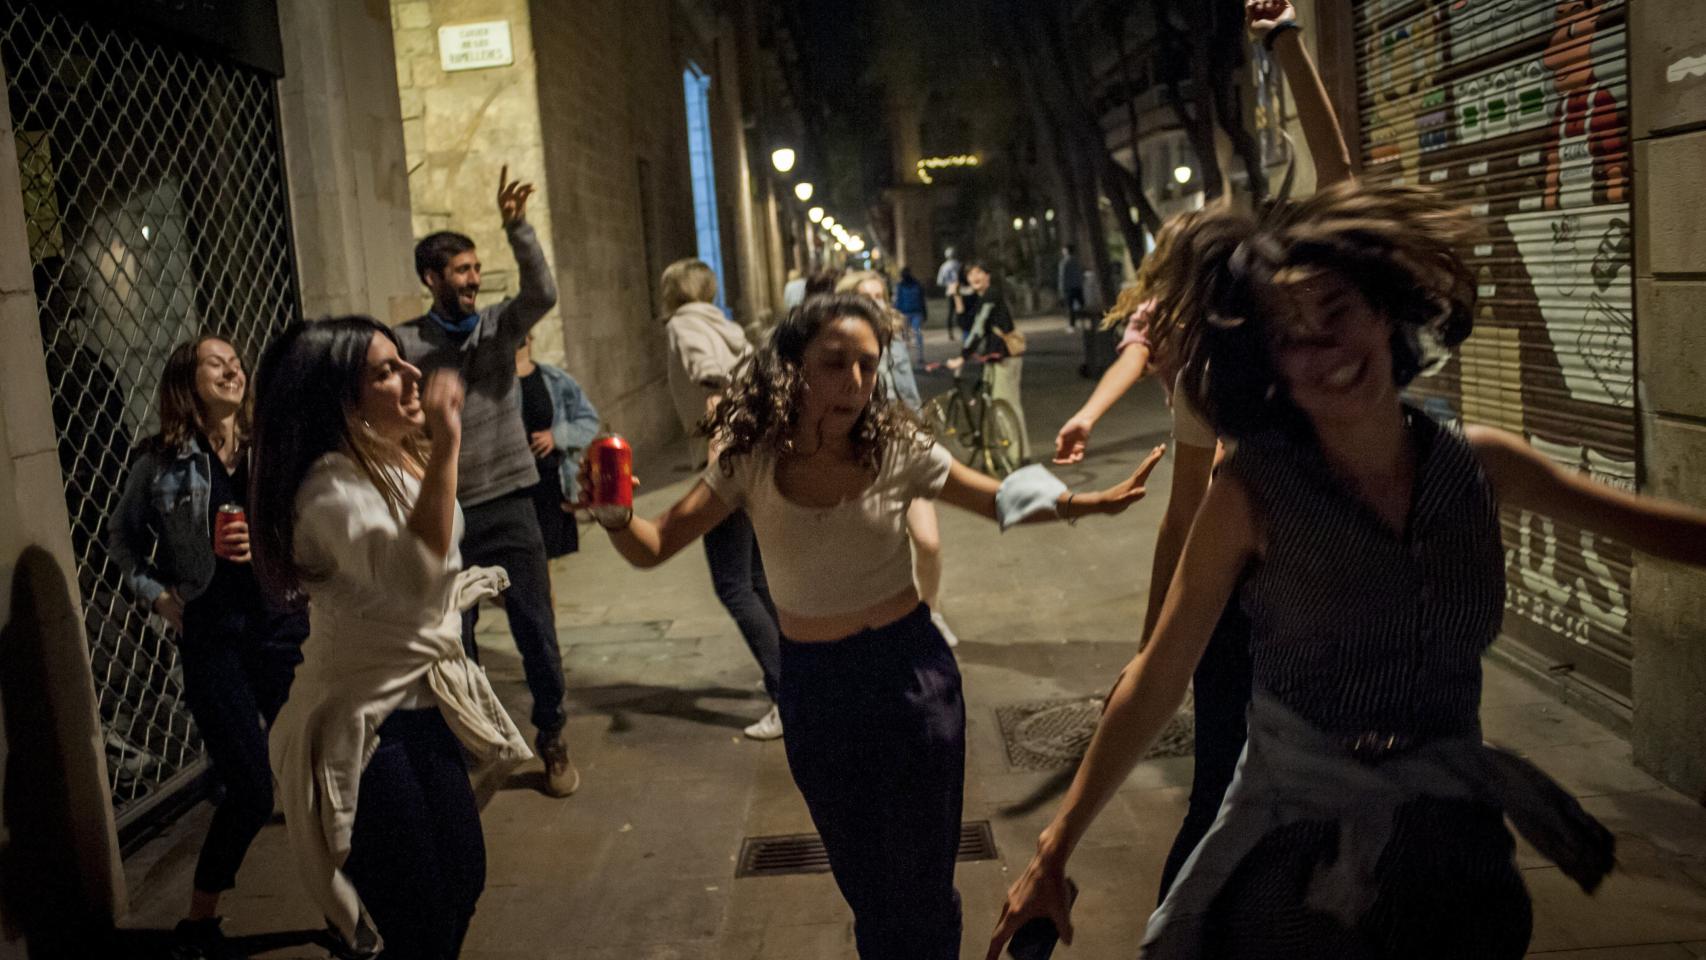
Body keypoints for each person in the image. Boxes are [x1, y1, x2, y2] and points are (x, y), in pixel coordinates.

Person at [983, 178, 1706, 959]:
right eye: (1293, 335)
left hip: (1456, 861)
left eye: (1337, 312)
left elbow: (1664, 533)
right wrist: (1054, 849)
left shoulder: (1480, 467)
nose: (1325, 351)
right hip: (1295, 872)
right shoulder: (1252, 496)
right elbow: (1158, 677)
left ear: (1385, 312)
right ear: (1271, 365)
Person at [583, 293, 1165, 960]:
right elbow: (654, 546)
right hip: (816, 689)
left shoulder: (896, 448)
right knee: (868, 888)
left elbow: (994, 496)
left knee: (922, 885)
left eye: (868, 365)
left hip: (910, 677)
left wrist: (1085, 504)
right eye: (835, 364)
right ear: (794, 368)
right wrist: (613, 515)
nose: (856, 384)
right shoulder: (750, 461)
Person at [1050, 0, 1356, 899]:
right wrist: (1150, 649)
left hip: (1331, 611)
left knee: (1315, 809)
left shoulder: (1299, 340)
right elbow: (1185, 509)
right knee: (1223, 795)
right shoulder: (1202, 381)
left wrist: (1290, 45)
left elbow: (1340, 185)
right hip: (1239, 610)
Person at [252, 317, 531, 960]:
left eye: (403, 361)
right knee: (419, 914)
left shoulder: (389, 454)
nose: (412, 375)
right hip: (366, 718)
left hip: (424, 700)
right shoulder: (328, 488)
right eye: (385, 370)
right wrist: (450, 443)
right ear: (338, 397)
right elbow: (412, 576)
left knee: (463, 877)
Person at [107, 335, 307, 956]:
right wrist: (162, 598)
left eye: (237, 362)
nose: (233, 369)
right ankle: (199, 918)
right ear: (187, 383)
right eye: (215, 363)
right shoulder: (160, 463)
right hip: (212, 637)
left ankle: (354, 899)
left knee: (317, 770)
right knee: (250, 789)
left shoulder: (271, 450)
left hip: (279, 630)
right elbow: (120, 537)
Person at [393, 166, 578, 797]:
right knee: (456, 644)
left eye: (476, 269)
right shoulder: (407, 345)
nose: (473, 280)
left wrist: (517, 226)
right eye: (461, 271)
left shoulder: (499, 326)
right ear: (432, 278)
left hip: (509, 504)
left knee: (536, 632)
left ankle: (551, 738)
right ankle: (479, 747)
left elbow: (544, 292)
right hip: (448, 513)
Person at [661, 258, 785, 740]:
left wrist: (717, 442)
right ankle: (792, 679)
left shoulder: (684, 325)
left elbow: (709, 377)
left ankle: (784, 695)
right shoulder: (725, 324)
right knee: (755, 579)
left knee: (732, 585)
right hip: (753, 453)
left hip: (728, 460)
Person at [839, 271, 959, 647]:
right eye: (868, 296)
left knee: (928, 542)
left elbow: (908, 394)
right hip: (860, 456)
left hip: (903, 448)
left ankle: (931, 612)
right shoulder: (840, 347)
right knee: (867, 553)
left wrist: (921, 436)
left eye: (881, 295)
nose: (877, 302)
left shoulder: (894, 342)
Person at [514, 332, 600, 560]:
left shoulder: (555, 380)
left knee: (546, 566)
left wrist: (557, 436)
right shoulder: (496, 387)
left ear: (530, 338)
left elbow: (588, 420)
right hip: (517, 490)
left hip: (552, 484)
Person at [954, 262, 1030, 461]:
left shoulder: (991, 296)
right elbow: (967, 323)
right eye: (970, 274)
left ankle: (1018, 455)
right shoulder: (982, 298)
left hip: (1004, 357)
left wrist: (963, 356)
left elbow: (978, 329)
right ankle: (1012, 453)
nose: (974, 277)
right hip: (993, 357)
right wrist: (957, 298)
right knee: (998, 405)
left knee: (1007, 405)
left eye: (978, 272)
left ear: (988, 275)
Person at [893, 266, 927, 363]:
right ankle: (917, 356)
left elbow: (897, 301)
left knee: (909, 335)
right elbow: (922, 300)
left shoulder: (901, 285)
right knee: (913, 334)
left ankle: (912, 356)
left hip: (908, 312)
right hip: (912, 312)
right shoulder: (916, 284)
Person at [936, 246, 963, 340]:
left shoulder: (943, 267)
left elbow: (940, 281)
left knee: (950, 313)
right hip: (959, 289)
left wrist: (948, 284)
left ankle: (950, 333)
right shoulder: (959, 265)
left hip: (950, 290)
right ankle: (963, 331)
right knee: (960, 310)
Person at [1057, 244, 1085, 330]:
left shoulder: (1064, 262)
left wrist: (1061, 289)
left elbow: (1062, 277)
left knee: (1070, 307)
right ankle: (1084, 321)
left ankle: (1072, 324)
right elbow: (1080, 274)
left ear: (1066, 251)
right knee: (1082, 305)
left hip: (1069, 287)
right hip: (1078, 286)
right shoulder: (1077, 261)